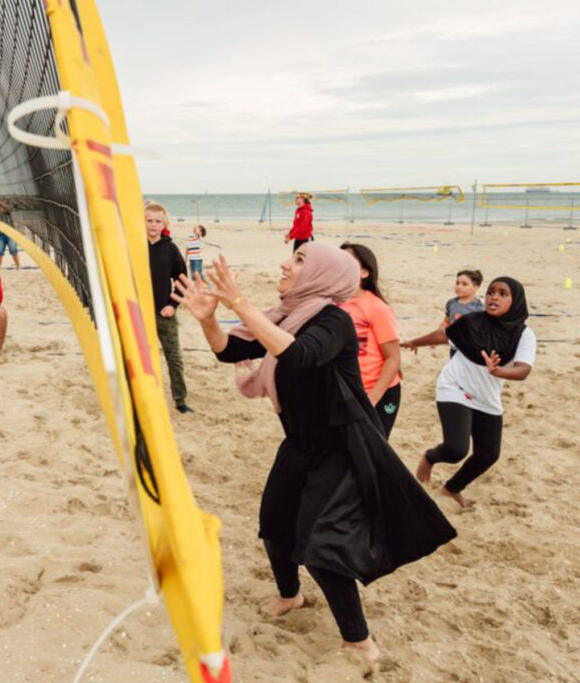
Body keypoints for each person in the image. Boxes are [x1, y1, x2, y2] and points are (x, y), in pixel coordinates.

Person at [171, 244, 455, 664]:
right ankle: (290, 596)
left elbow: (299, 353)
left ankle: (359, 641)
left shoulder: (334, 321)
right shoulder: (286, 315)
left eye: (301, 260)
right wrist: (210, 318)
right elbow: (229, 350)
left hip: (341, 446)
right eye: (292, 257)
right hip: (300, 443)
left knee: (321, 545)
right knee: (274, 526)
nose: (287, 263)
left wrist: (239, 302)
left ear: (321, 275)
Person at [412, 277, 535, 509]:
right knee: (456, 449)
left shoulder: (524, 334)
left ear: (516, 300)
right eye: (491, 292)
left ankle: (452, 488)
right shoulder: (471, 321)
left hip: (487, 396)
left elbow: (523, 370)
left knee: (488, 455)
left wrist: (499, 372)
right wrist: (414, 342)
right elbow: (443, 335)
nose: (494, 297)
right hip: (454, 386)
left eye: (502, 293)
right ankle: (430, 457)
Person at [339, 243, 403, 438]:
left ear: (364, 272)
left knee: (375, 454)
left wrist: (371, 399)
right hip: (347, 393)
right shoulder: (330, 304)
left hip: (379, 392)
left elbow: (393, 359)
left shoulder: (376, 307)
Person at [146, 202, 192, 414]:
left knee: (174, 357)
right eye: (149, 220)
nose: (153, 225)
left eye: (158, 221)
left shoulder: (170, 249)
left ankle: (180, 400)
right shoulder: (133, 245)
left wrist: (173, 305)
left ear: (164, 223)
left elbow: (182, 281)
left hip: (164, 313)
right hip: (139, 314)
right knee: (141, 359)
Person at [402, 270, 484, 358]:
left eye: (464, 284)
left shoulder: (479, 308)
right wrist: (436, 340)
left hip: (470, 350)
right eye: (457, 283)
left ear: (476, 288)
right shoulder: (452, 303)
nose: (459, 286)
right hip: (454, 347)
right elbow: (446, 322)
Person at [0, 199, 21, 270]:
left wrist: (0, 203)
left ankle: (18, 266)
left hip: (10, 235)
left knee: (13, 250)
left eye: (2, 207)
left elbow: (9, 208)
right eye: (0, 208)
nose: (0, 209)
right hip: (1, 235)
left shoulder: (9, 213)